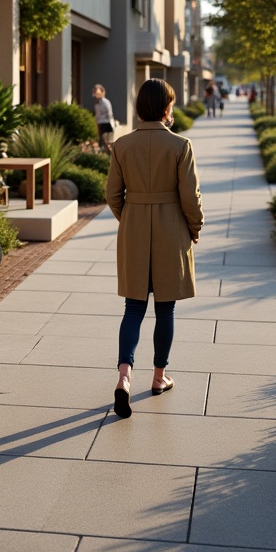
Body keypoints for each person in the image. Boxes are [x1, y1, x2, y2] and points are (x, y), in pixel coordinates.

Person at [105, 79, 203, 418]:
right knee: (166, 310)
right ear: (166, 108)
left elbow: (112, 195)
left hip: (134, 231)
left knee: (133, 308)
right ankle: (159, 377)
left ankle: (124, 376)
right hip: (170, 230)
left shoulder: (122, 145)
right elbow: (190, 197)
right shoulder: (180, 145)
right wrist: (195, 227)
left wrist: (130, 218)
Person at [93, 84, 115, 151]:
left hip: (106, 123)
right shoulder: (97, 102)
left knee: (106, 141)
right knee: (101, 141)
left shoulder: (105, 102)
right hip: (100, 123)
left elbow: (109, 113)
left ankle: (110, 154)